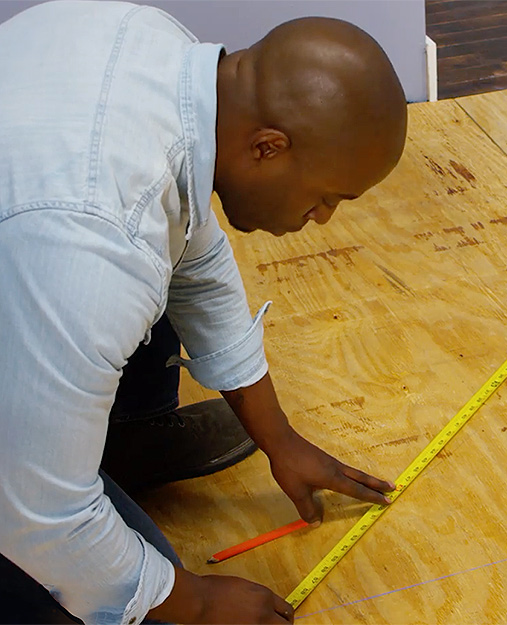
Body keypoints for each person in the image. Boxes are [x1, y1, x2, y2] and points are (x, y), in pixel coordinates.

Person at [0, 1, 409, 623]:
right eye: (326, 197)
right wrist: (194, 604)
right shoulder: (98, 244)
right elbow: (37, 514)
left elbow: (197, 256)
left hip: (35, 244)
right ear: (269, 147)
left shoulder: (166, 56)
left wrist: (278, 438)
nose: (323, 218)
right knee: (123, 596)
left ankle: (111, 438)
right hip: (49, 256)